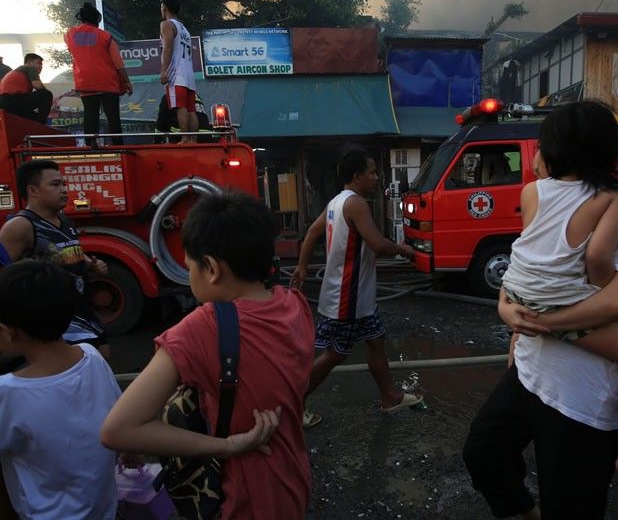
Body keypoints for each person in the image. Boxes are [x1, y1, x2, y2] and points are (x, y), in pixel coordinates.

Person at [463, 101, 618, 519]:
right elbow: (537, 264)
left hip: (581, 399)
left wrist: (539, 321)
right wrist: (507, 311)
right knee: (483, 453)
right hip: (528, 373)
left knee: (572, 506)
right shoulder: (605, 200)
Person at [101, 191, 314, 519]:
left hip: (241, 500)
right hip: (292, 480)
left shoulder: (204, 327)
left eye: (189, 267)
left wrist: (228, 446)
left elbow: (117, 430)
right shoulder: (294, 304)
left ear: (211, 268)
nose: (189, 275)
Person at [290, 149, 423, 427]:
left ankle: (390, 397)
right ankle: (294, 405)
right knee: (335, 353)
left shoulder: (336, 203)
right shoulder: (356, 204)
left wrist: (302, 267)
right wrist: (404, 250)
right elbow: (378, 244)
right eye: (372, 172)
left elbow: (312, 233)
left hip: (357, 297)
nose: (377, 177)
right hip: (347, 298)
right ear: (357, 175)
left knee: (376, 342)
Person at [0, 260, 121, 519]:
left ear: (9, 332)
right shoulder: (92, 356)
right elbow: (118, 411)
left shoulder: (8, 392)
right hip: (103, 507)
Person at [0, 160, 110, 360]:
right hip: (50, 323)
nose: (64, 190)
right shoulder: (20, 226)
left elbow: (69, 250)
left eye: (64, 184)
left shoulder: (65, 222)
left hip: (81, 310)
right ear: (33, 190)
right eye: (55, 185)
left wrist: (91, 265)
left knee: (101, 356)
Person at [65, 2, 133, 146]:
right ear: (97, 20)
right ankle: (118, 146)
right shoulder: (105, 36)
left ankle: (91, 145)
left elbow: (75, 52)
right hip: (108, 83)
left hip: (85, 82)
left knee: (90, 115)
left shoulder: (69, 35)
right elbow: (118, 64)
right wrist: (127, 82)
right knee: (113, 117)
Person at [159, 0, 198, 144]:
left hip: (176, 73)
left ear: (165, 8)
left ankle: (185, 138)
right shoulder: (184, 28)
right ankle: (193, 139)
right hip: (189, 73)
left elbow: (168, 47)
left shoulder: (166, 24)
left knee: (180, 107)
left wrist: (164, 70)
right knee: (191, 109)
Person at [0, 53, 52, 124]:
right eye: (39, 63)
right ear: (29, 62)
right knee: (46, 94)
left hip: (5, 104)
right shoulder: (30, 68)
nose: (41, 66)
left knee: (32, 117)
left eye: (41, 65)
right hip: (12, 100)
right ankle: (42, 123)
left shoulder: (17, 72)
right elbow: (38, 86)